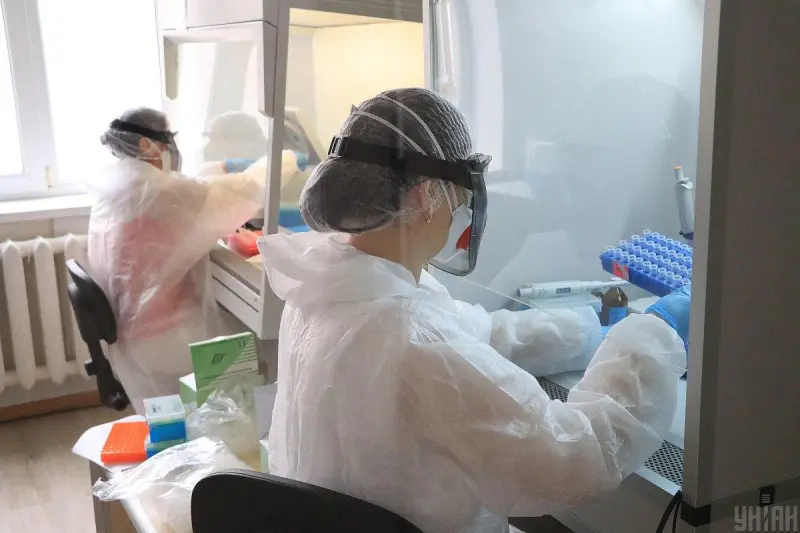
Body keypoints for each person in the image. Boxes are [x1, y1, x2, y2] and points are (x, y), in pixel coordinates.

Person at [257, 88, 690, 533]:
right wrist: (656, 336)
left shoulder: (328, 290)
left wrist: (588, 329)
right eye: (458, 195)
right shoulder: (415, 343)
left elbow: (468, 332)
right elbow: (575, 459)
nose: (461, 210)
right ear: (424, 195)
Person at [84, 107, 268, 414]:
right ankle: (243, 431)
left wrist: (221, 167)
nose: (172, 149)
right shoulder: (157, 191)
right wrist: (282, 162)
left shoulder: (117, 187)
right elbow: (236, 194)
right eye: (167, 141)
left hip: (133, 338)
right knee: (263, 342)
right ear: (146, 145)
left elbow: (192, 190)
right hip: (166, 339)